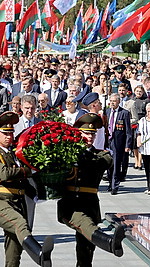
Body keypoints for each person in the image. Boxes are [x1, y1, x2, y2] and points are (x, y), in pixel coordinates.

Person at [0, 111, 54, 267]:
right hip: (0, 204)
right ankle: (39, 254)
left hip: (17, 204)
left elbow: (23, 182)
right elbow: (4, 173)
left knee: (14, 252)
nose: (9, 136)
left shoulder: (15, 155)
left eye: (11, 133)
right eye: (5, 133)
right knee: (20, 224)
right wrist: (28, 171)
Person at [58, 113, 125, 266]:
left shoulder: (102, 155)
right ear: (78, 133)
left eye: (93, 134)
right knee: (85, 228)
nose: (90, 137)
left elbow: (101, 162)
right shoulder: (67, 153)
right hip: (71, 205)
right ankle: (109, 242)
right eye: (86, 133)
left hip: (90, 205)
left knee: (86, 250)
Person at [13, 95, 42, 228]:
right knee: (16, 203)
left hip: (33, 171)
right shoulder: (14, 124)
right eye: (26, 108)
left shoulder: (40, 123)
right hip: (17, 169)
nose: (29, 111)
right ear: (21, 107)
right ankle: (17, 230)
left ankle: (28, 231)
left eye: (32, 108)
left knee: (31, 203)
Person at [106, 93, 132, 195]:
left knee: (116, 164)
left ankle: (115, 186)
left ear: (119, 102)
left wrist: (127, 145)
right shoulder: (107, 111)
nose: (112, 103)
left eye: (114, 101)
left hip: (118, 142)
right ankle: (110, 182)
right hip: (108, 141)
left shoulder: (124, 113)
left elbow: (128, 131)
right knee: (108, 163)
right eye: (111, 101)